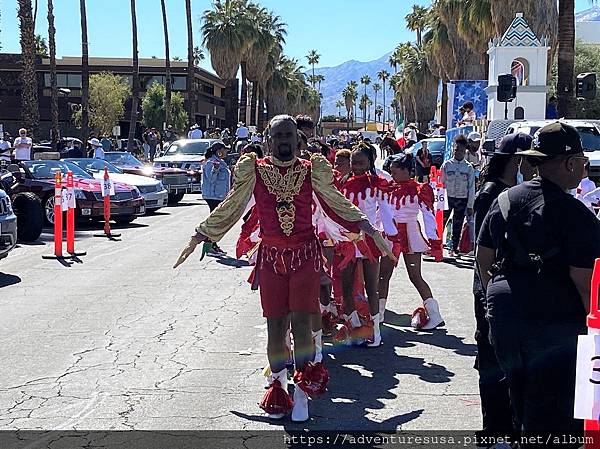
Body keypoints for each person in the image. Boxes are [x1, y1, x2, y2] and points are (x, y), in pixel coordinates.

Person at [174, 115, 394, 422]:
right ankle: (278, 387)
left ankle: (302, 392)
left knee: (302, 325)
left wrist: (367, 227)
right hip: (271, 260)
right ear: (268, 140)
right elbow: (232, 205)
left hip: (305, 258)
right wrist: (202, 234)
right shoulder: (255, 170)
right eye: (278, 136)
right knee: (275, 328)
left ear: (297, 140)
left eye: (288, 135)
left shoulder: (311, 170)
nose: (284, 141)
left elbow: (336, 202)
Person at [476, 122, 600, 447]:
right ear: (570, 163)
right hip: (552, 321)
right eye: (583, 161)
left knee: (519, 396)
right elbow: (585, 284)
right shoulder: (576, 215)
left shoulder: (505, 200)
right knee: (553, 410)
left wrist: (496, 301)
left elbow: (483, 257)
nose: (584, 167)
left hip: (504, 316)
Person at [472, 132, 533, 446]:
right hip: (490, 291)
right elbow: (484, 251)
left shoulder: (517, 193)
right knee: (492, 362)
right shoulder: (492, 194)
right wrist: (489, 297)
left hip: (510, 292)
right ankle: (494, 430)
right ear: (516, 160)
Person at [336, 143, 397, 347]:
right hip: (347, 239)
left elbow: (386, 211)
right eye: (354, 162)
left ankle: (375, 331)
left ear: (370, 163)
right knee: (346, 286)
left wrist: (392, 237)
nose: (357, 167)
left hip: (370, 239)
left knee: (372, 287)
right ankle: (354, 327)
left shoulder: (376, 184)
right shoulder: (343, 183)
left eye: (361, 163)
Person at [378, 154, 444, 330]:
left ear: (407, 171)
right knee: (383, 275)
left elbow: (428, 216)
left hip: (410, 234)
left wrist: (435, 242)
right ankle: (378, 314)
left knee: (415, 276)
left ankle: (435, 315)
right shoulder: (388, 188)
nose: (392, 175)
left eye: (395, 172)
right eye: (390, 172)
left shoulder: (419, 189)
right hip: (391, 234)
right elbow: (380, 212)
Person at [441, 134, 476, 257]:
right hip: (448, 198)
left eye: (461, 150)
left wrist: (470, 205)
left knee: (457, 224)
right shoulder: (446, 165)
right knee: (442, 222)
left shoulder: (468, 168)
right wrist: (439, 202)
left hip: (462, 199)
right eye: (456, 150)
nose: (458, 152)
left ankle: (454, 248)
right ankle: (437, 245)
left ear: (465, 151)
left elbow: (471, 188)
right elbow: (441, 184)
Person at [201, 142, 232, 256]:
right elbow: (211, 179)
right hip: (213, 196)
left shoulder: (220, 162)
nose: (226, 152)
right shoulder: (211, 162)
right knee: (215, 222)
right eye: (224, 149)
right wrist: (215, 169)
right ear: (219, 151)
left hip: (219, 196)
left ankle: (212, 245)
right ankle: (209, 246)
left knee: (216, 221)